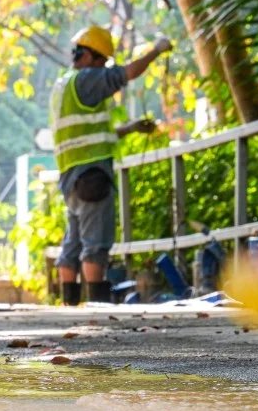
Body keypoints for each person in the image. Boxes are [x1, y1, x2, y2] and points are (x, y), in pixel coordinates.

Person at [50, 25, 172, 305]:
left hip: (70, 174)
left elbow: (88, 131)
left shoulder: (64, 85)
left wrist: (129, 128)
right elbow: (127, 73)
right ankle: (97, 306)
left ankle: (69, 304)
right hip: (91, 173)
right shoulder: (87, 79)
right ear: (90, 57)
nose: (104, 67)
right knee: (96, 242)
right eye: (103, 61)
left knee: (74, 241)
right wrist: (156, 50)